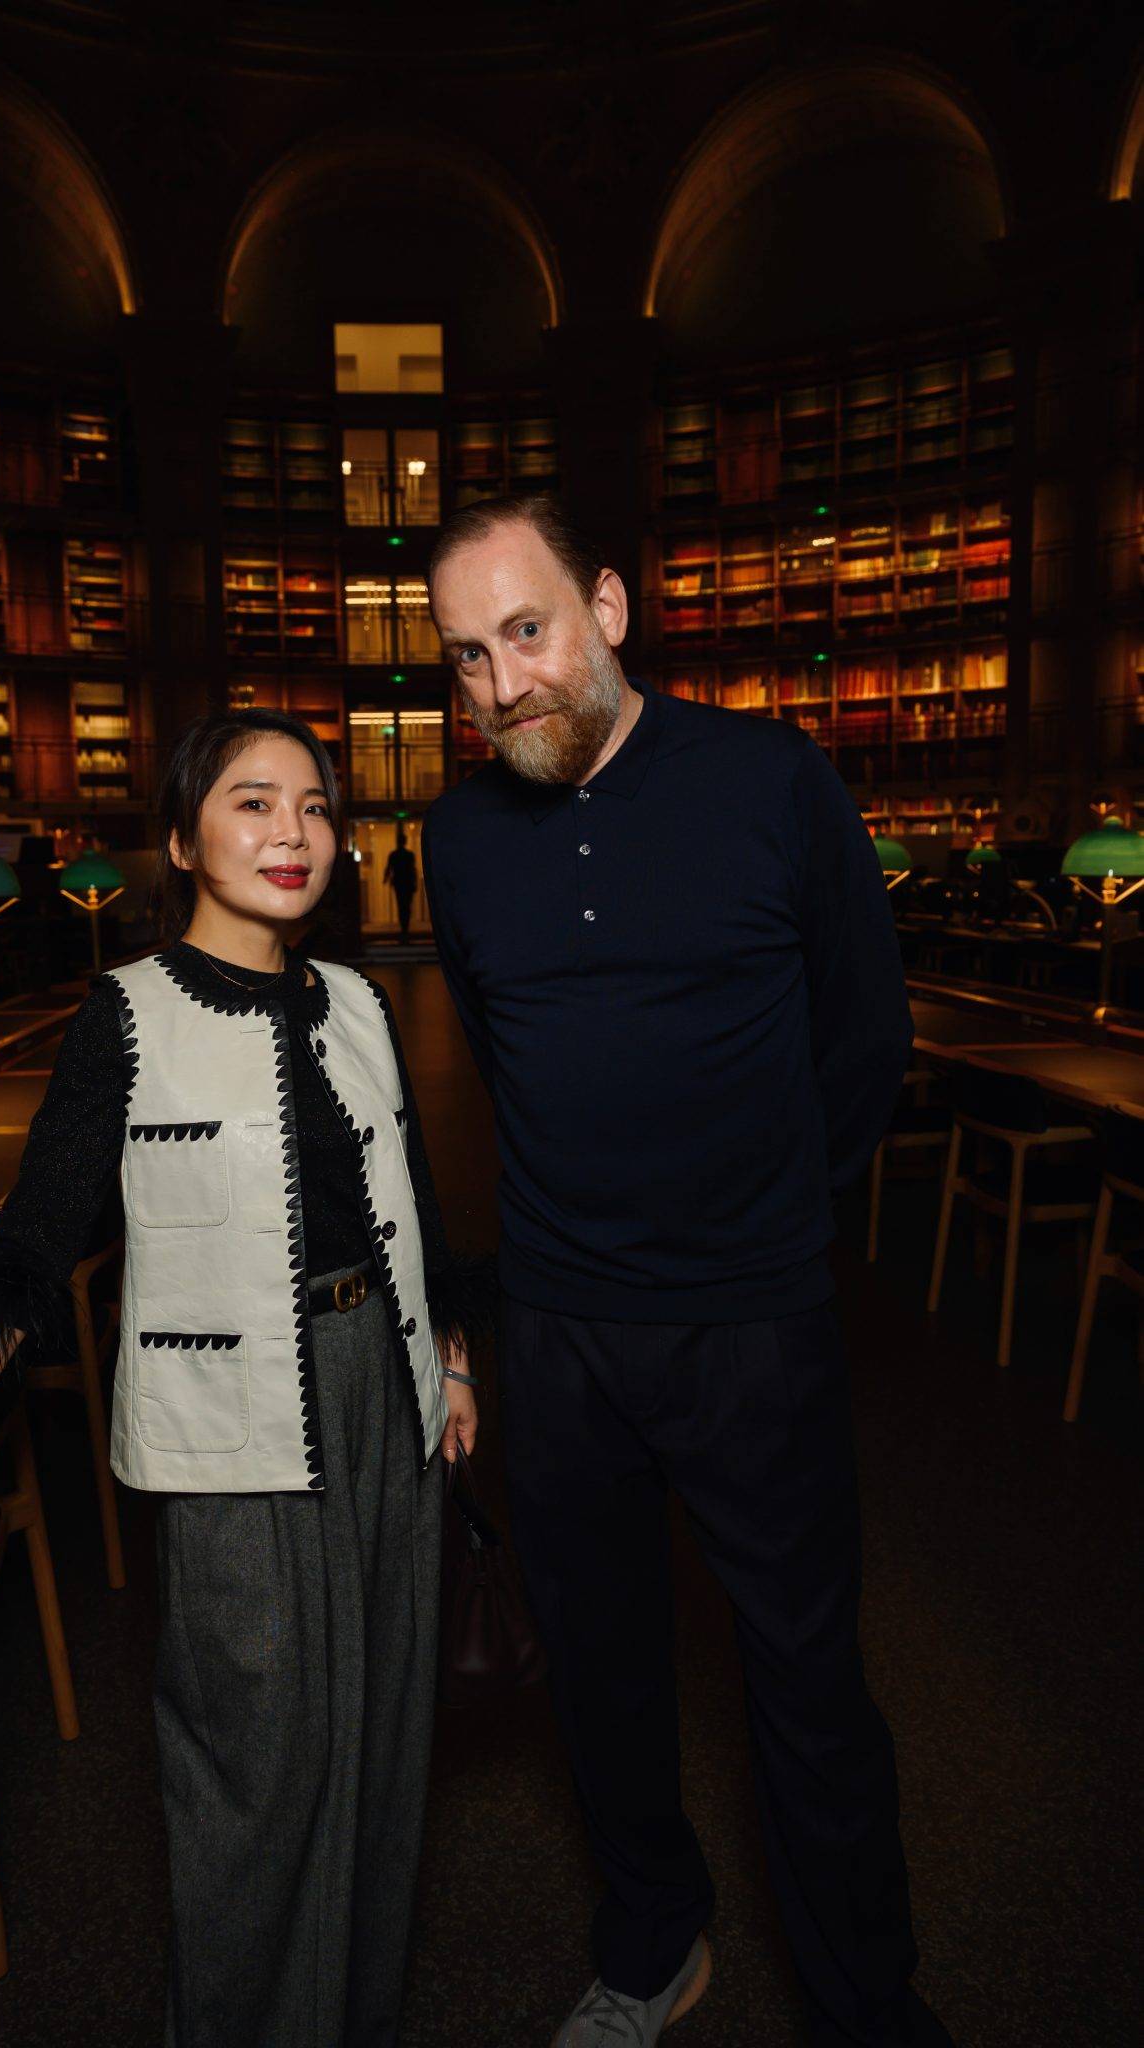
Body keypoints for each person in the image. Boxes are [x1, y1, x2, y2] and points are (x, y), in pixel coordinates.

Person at [0, 708, 488, 2048]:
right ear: (180, 836)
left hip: (384, 1403)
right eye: (253, 802)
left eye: (316, 806)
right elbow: (32, 1246)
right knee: (253, 1775)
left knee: (387, 1760)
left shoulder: (365, 1004)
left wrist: (448, 1359)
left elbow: (419, 1201)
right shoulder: (126, 1016)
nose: (295, 833)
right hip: (229, 1438)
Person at [422, 495, 952, 2048]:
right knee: (599, 1679)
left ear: (607, 604)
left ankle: (868, 2001)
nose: (502, 683)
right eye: (466, 656)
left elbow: (866, 1041)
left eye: (525, 633)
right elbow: (505, 1066)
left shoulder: (773, 778)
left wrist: (769, 1214)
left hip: (755, 1327)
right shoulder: (458, 835)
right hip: (565, 1332)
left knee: (806, 1683)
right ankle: (656, 1945)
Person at [384, 830, 419, 943]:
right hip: (406, 883)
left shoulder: (394, 854)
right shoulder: (409, 855)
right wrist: (414, 883)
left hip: (400, 883)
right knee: (406, 906)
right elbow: (413, 870)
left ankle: (404, 927)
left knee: (401, 905)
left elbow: (388, 868)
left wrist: (385, 879)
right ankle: (405, 927)